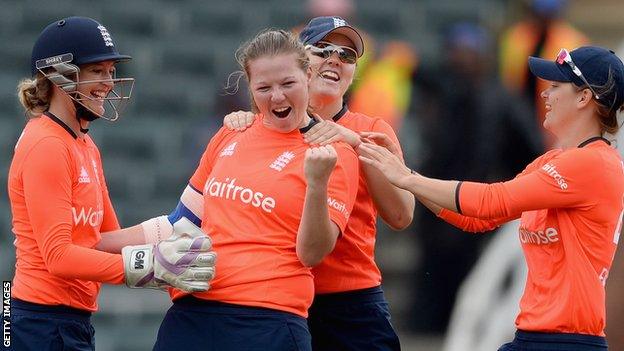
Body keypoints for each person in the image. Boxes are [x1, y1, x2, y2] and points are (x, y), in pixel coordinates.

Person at [358, 46, 624, 350]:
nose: (544, 95)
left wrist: (406, 178)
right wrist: (408, 177)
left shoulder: (591, 163)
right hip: (534, 337)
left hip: (567, 342)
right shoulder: (554, 161)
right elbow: (475, 218)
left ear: (584, 97)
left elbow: (489, 201)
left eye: (555, 86)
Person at [7, 17, 215, 351]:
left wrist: (169, 248)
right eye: (97, 71)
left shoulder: (84, 144)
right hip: (38, 321)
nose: (109, 82)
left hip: (66, 321)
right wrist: (150, 267)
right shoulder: (47, 145)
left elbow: (106, 240)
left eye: (110, 70)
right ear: (60, 77)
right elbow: (58, 257)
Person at [147, 29, 360, 351]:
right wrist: (96, 243)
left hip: (267, 319)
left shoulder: (332, 151)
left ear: (307, 75)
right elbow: (183, 221)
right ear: (249, 88)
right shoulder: (232, 132)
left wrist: (317, 184)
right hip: (193, 312)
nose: (276, 97)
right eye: (264, 87)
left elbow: (312, 253)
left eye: (287, 84)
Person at [224, 16, 415, 351]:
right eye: (323, 50)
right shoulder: (264, 124)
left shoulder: (371, 129)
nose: (334, 60)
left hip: (348, 298)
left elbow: (401, 215)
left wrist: (355, 143)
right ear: (302, 64)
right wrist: (242, 121)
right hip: (277, 296)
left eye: (347, 55)